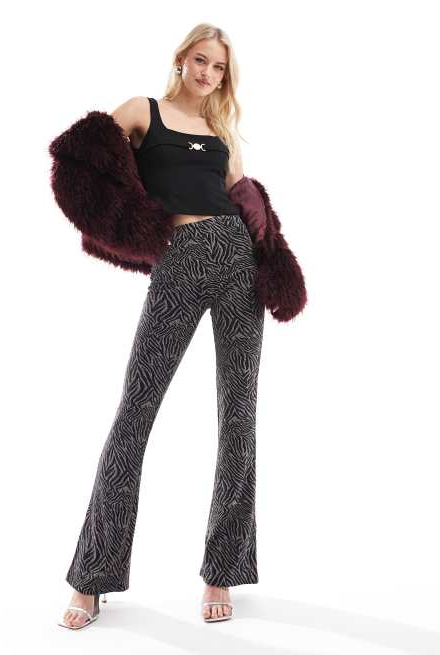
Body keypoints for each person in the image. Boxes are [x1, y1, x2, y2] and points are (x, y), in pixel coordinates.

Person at [60, 24, 267, 629]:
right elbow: (82, 158)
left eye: (219, 68)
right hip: (178, 259)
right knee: (135, 413)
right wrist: (126, 227)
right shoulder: (142, 111)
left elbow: (240, 194)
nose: (208, 74)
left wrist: (266, 241)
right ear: (181, 60)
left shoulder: (220, 131)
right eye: (201, 61)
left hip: (236, 261)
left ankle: (222, 570)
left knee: (239, 415)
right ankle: (92, 577)